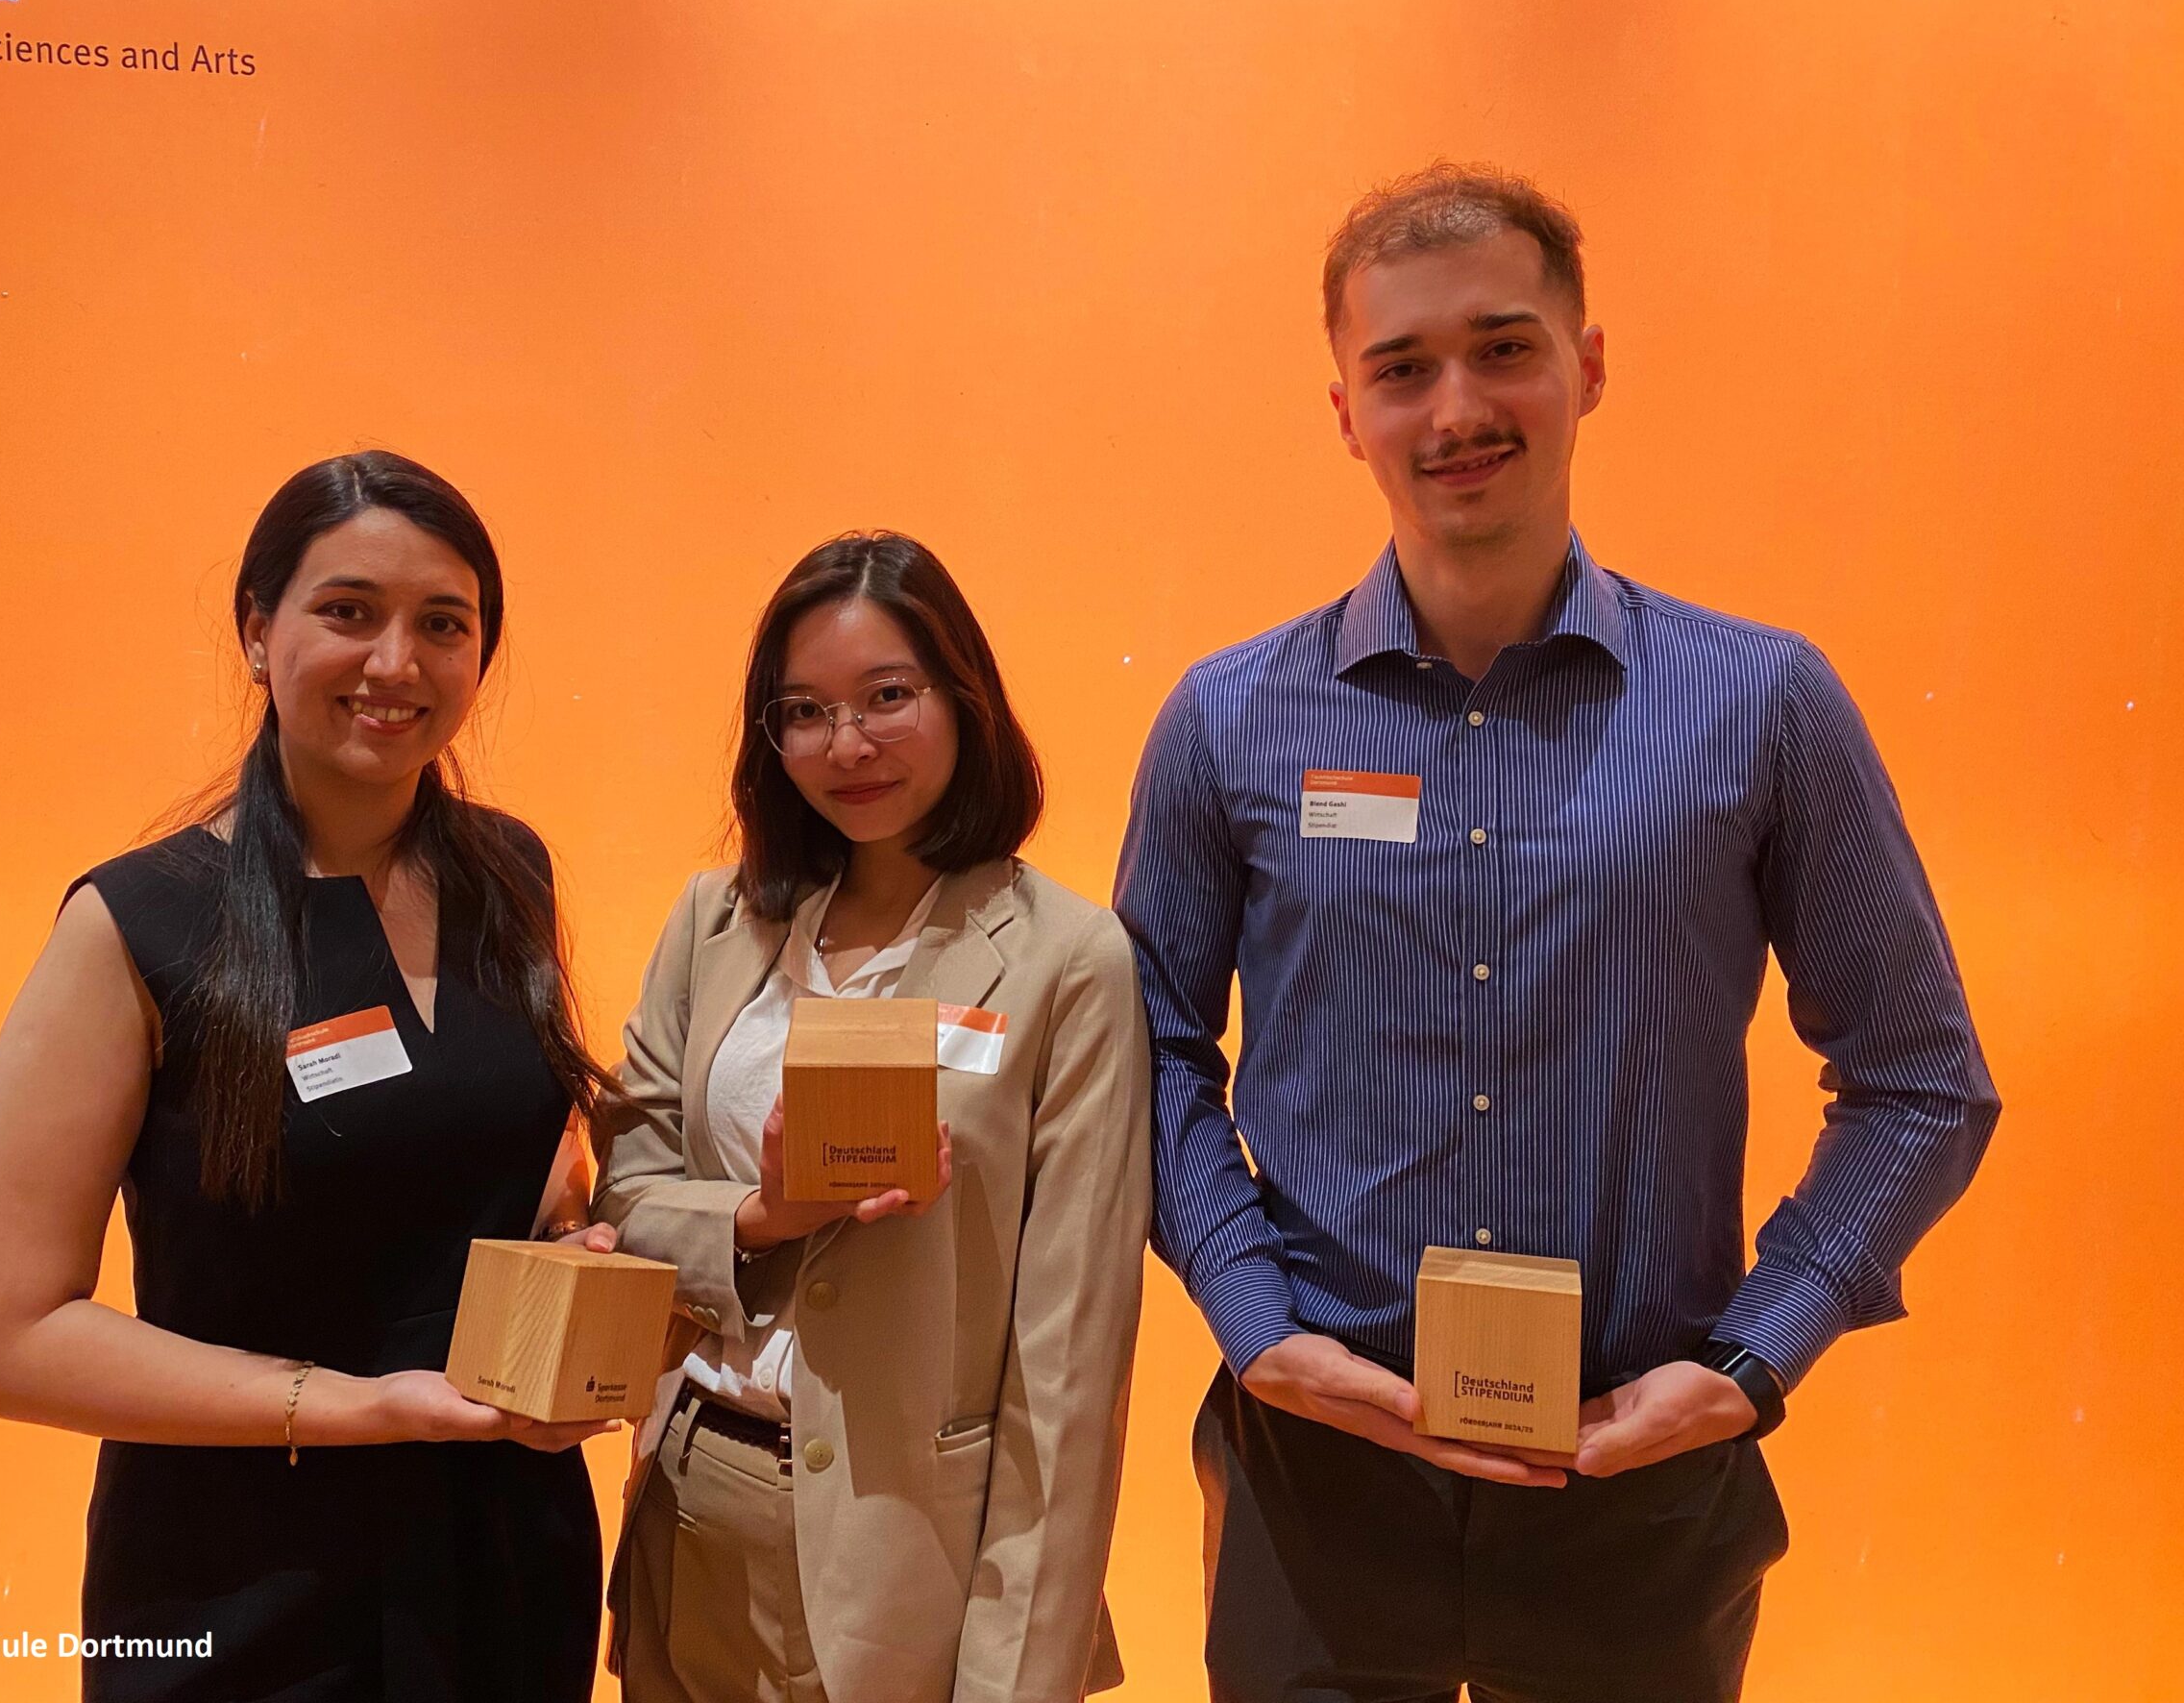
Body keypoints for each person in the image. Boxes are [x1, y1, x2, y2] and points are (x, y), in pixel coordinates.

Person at [1116, 164, 2000, 1703]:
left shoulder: (1761, 704)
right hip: (1318, 1472)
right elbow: (1142, 1057)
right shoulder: (1229, 721)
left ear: (1588, 367)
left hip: (1639, 1485)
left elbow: (1923, 1080)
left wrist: (1749, 1361)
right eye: (1403, 368)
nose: (1457, 407)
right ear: (1346, 413)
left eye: (1503, 348)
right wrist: (1255, 1324)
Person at [0, 451, 621, 1702]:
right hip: (238, 1575)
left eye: (443, 625)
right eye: (349, 611)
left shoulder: (508, 875)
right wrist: (364, 1408)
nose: (396, 663)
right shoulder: (136, 924)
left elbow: (476, 1172)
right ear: (257, 631)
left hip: (503, 1551)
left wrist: (574, 1248)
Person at [595, 531, 1149, 1703]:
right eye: (804, 711)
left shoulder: (1066, 959)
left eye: (887, 697)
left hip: (912, 1560)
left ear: (963, 699)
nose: (846, 745)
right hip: (689, 1510)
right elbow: (626, 1197)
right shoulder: (714, 923)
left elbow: (1069, 1365)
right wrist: (761, 1216)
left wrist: (1015, 1679)